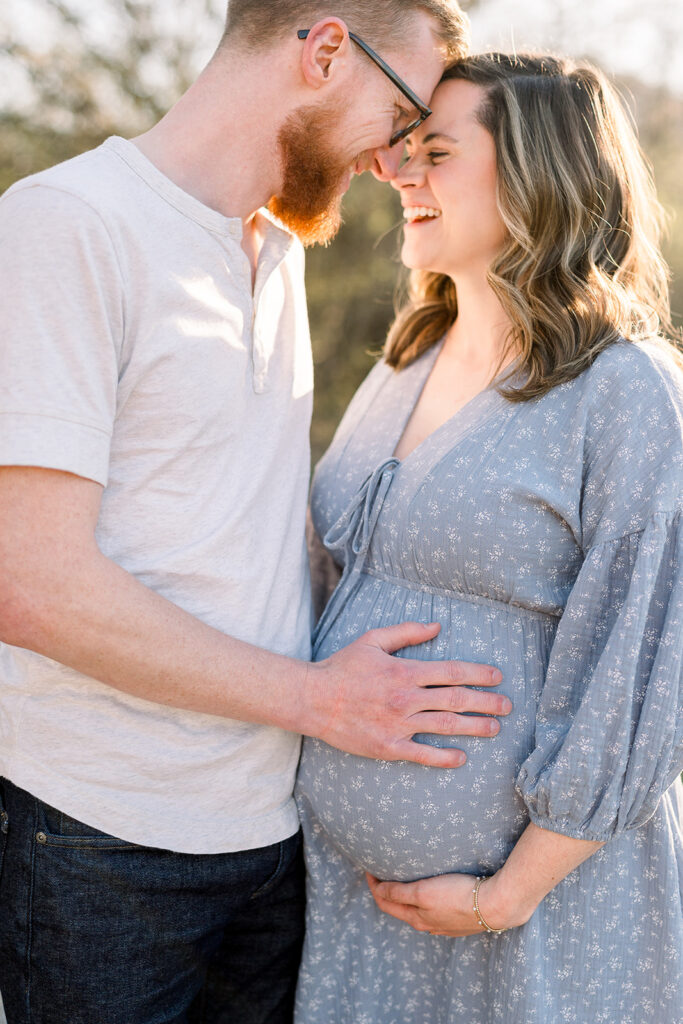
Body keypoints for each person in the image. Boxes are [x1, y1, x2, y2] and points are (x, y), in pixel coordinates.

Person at [0, 5, 518, 1023]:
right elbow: (28, 581)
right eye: (401, 115)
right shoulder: (66, 224)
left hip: (272, 836)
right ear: (323, 52)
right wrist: (320, 701)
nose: (393, 162)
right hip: (101, 843)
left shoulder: (277, 248)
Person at [296, 53, 683, 1023]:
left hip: (534, 914)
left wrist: (505, 893)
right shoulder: (407, 358)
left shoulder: (622, 390)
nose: (401, 174)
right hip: (357, 906)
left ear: (535, 175)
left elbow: (644, 664)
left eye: (435, 152)